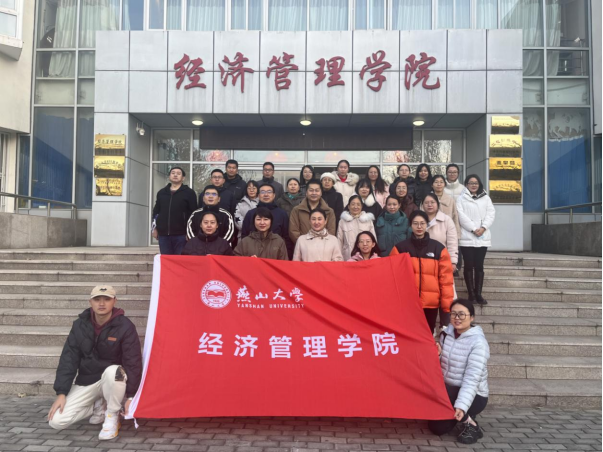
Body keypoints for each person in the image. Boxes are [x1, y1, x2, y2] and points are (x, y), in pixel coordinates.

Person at [48, 285, 142, 441]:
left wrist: (131, 397)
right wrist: (61, 393)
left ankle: (112, 415)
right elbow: (69, 358)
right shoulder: (80, 325)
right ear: (90, 302)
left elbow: (133, 362)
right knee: (56, 421)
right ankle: (98, 405)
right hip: (88, 380)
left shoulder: (125, 326)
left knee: (114, 371)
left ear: (114, 301)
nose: (102, 303)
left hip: (113, 380)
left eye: (107, 299)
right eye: (97, 299)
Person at [429, 299, 490, 446]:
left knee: (451, 399)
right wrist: (438, 355)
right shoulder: (446, 334)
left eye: (462, 314)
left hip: (474, 395)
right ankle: (458, 414)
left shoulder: (478, 343)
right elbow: (442, 366)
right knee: (437, 428)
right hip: (449, 390)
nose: (457, 318)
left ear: (472, 317)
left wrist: (461, 406)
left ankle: (471, 423)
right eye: (453, 314)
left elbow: (472, 379)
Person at [390, 211, 454, 335]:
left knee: (428, 334)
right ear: (410, 225)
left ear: (427, 225)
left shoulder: (438, 248)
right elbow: (393, 277)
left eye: (422, 223)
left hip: (431, 303)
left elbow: (446, 279)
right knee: (409, 335)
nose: (419, 227)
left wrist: (446, 305)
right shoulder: (400, 248)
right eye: (415, 223)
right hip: (408, 302)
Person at [457, 175, 496, 306]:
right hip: (467, 237)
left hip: (483, 237)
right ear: (466, 184)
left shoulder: (486, 198)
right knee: (468, 265)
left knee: (479, 266)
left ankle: (478, 293)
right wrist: (474, 229)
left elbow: (491, 214)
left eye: (476, 183)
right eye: (471, 183)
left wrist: (483, 227)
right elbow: (461, 216)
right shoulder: (461, 198)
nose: (473, 185)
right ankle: (471, 294)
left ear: (479, 184)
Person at [423, 193, 459, 329]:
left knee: (446, 295)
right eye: (426, 202)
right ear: (422, 205)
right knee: (429, 295)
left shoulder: (446, 220)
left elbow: (452, 242)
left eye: (432, 202)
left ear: (437, 204)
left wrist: (453, 261)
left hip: (443, 263)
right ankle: (428, 329)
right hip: (425, 266)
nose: (429, 205)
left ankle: (445, 327)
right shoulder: (419, 219)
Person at [151, 166, 197, 255]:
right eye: (173, 173)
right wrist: (154, 229)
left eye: (178, 174)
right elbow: (156, 212)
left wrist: (190, 233)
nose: (175, 175)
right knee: (166, 259)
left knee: (180, 260)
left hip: (182, 235)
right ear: (169, 176)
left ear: (183, 178)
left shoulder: (189, 193)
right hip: (163, 235)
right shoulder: (162, 192)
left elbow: (193, 213)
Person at [240, 183, 291, 252]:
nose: (266, 194)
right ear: (258, 195)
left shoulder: (282, 214)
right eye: (262, 192)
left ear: (274, 195)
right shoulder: (251, 213)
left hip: (275, 251)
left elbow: (287, 237)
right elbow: (244, 235)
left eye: (269, 192)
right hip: (253, 252)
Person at [337, 195, 376, 261]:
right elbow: (339, 241)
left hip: (365, 257)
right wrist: (339, 258)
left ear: (361, 206)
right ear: (348, 206)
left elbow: (373, 239)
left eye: (358, 204)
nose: (355, 207)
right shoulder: (342, 221)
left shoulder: (368, 221)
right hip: (348, 257)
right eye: (353, 204)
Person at [430, 175, 461, 240]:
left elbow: (455, 217)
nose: (439, 184)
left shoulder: (450, 200)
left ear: (445, 184)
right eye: (436, 182)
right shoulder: (427, 200)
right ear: (432, 185)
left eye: (441, 182)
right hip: (431, 233)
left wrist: (457, 234)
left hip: (447, 233)